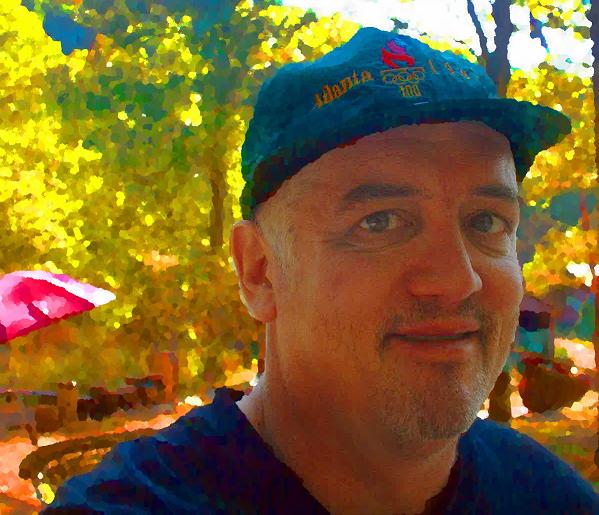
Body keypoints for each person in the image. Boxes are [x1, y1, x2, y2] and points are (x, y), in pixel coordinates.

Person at [42, 27, 598, 514]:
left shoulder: (553, 499)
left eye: (486, 221)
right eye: (380, 222)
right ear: (259, 271)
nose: (458, 280)